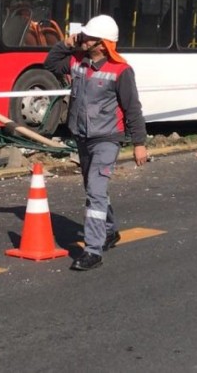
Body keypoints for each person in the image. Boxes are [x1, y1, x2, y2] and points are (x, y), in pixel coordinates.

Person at [45, 15, 149, 271]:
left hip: (107, 139)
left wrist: (139, 143)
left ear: (102, 44)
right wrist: (66, 44)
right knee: (93, 188)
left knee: (95, 190)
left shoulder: (121, 71)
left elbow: (132, 108)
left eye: (88, 37)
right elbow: (50, 65)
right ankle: (110, 230)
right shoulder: (78, 62)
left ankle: (93, 250)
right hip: (82, 136)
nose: (83, 39)